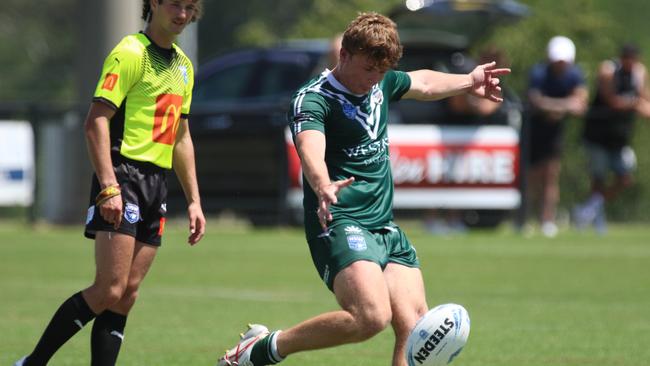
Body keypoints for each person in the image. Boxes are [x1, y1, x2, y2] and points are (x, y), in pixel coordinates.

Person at [218, 12, 509, 366]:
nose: (375, 80)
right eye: (369, 70)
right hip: (340, 221)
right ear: (344, 55)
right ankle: (263, 349)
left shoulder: (379, 82)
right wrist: (322, 184)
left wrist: (470, 79)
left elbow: (424, 83)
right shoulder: (314, 98)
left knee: (416, 329)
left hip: (384, 225)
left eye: (382, 72)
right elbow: (311, 148)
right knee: (370, 317)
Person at [15, 1, 205, 365]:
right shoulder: (130, 52)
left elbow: (181, 137)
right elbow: (96, 122)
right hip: (124, 175)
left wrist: (194, 199)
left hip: (156, 183)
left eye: (189, 7)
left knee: (127, 293)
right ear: (154, 4)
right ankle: (32, 362)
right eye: (175, 5)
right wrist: (108, 186)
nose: (182, 14)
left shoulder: (184, 65)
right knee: (109, 289)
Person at [573, 44, 650, 232]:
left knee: (625, 178)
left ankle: (587, 210)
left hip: (620, 136)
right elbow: (612, 100)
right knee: (598, 178)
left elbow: (644, 98)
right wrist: (635, 104)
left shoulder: (639, 73)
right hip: (598, 134)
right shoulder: (608, 70)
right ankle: (597, 220)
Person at [526, 35, 588, 237]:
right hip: (534, 130)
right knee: (532, 177)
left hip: (555, 133)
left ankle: (547, 219)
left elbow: (580, 104)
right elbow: (535, 101)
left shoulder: (574, 75)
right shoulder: (539, 73)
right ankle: (526, 218)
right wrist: (563, 105)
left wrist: (552, 106)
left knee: (551, 176)